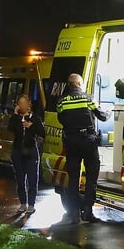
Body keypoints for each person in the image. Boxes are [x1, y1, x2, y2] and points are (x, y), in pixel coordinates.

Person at [57, 72, 107, 222]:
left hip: (71, 142)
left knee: (73, 178)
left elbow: (61, 118)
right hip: (88, 141)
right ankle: (88, 211)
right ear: (79, 84)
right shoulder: (88, 98)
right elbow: (102, 116)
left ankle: (74, 213)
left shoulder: (62, 101)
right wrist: (109, 113)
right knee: (92, 175)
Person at [7, 93, 45, 214]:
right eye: (20, 103)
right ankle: (23, 203)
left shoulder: (35, 118)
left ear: (29, 105)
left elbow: (42, 133)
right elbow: (10, 128)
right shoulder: (16, 118)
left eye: (24, 103)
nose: (22, 105)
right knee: (20, 179)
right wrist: (15, 114)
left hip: (31, 152)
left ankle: (31, 204)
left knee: (32, 179)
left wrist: (31, 126)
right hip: (18, 152)